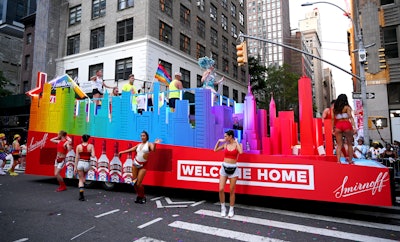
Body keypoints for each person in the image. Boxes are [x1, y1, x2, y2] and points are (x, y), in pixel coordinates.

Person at [118, 131, 161, 204]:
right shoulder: (139, 145)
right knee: (134, 182)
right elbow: (131, 149)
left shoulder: (149, 144)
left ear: (147, 137)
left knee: (139, 183)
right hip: (135, 164)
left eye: (144, 136)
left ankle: (143, 196)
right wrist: (121, 152)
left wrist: (155, 143)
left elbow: (153, 150)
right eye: (141, 136)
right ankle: (139, 196)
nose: (142, 137)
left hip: (143, 165)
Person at [214, 130, 243, 218]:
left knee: (231, 190)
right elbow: (215, 150)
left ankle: (231, 209)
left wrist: (237, 142)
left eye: (226, 136)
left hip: (233, 169)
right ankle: (223, 208)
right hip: (224, 168)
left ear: (230, 136)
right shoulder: (225, 144)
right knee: (221, 189)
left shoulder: (238, 144)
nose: (224, 138)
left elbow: (241, 152)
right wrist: (219, 141)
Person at [332, 94, 356, 164]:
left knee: (339, 145)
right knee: (349, 144)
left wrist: (332, 128)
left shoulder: (335, 109)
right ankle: (350, 160)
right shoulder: (347, 107)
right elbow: (350, 117)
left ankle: (338, 161)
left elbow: (333, 119)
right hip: (346, 124)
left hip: (338, 125)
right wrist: (354, 126)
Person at [74, 134, 95, 201]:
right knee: (83, 178)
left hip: (80, 163)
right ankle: (83, 181)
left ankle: (81, 195)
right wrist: (90, 153)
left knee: (80, 179)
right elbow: (93, 155)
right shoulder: (91, 146)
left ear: (82, 139)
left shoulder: (78, 146)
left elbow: (77, 157)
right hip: (87, 163)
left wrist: (75, 167)